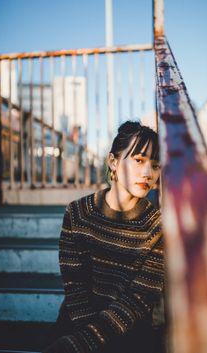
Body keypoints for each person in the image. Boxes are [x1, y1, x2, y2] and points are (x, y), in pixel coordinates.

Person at [43, 120, 165, 353]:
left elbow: (138, 300)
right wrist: (84, 340)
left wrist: (87, 342)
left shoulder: (156, 226)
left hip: (129, 330)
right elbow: (75, 286)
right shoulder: (77, 213)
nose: (148, 173)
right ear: (113, 162)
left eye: (156, 165)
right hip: (77, 322)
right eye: (139, 160)